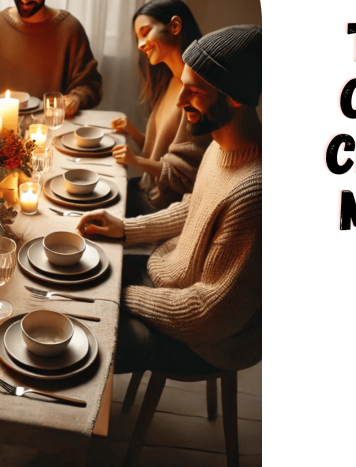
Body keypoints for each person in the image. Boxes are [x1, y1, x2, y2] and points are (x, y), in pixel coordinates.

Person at [77, 25, 262, 373]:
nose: (180, 101)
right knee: (78, 276)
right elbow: (195, 207)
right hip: (171, 280)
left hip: (207, 340)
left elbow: (211, 314)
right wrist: (126, 229)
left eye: (193, 91)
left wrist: (124, 296)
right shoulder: (221, 144)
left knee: (83, 338)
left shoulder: (255, 193)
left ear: (234, 96)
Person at [112, 0, 211, 216]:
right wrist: (133, 132)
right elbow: (160, 152)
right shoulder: (171, 80)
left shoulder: (193, 92)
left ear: (175, 26)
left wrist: (135, 161)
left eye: (145, 32)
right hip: (146, 191)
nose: (140, 45)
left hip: (161, 209)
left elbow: (183, 175)